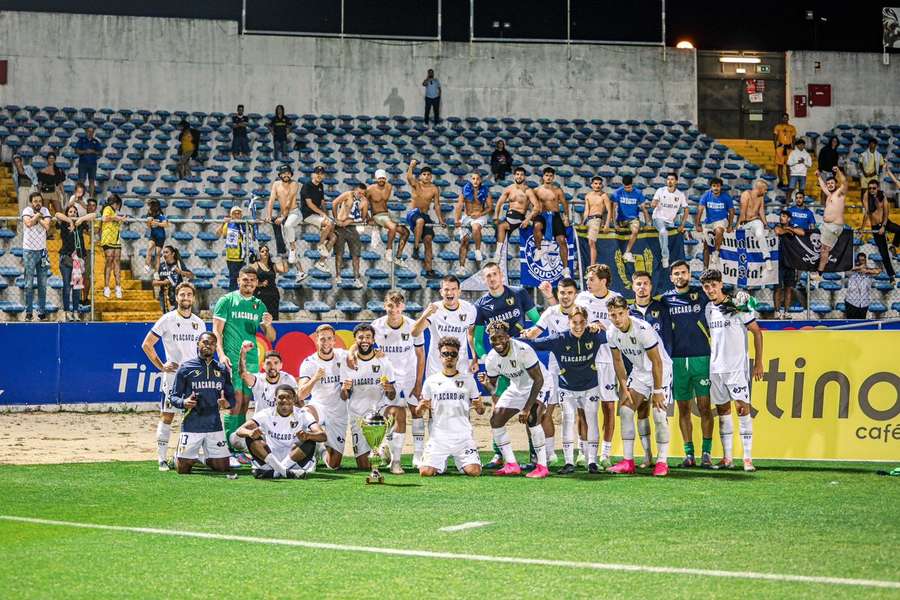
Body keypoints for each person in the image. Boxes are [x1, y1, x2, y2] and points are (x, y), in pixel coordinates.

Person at [472, 261, 543, 468]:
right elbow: (477, 339)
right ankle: (498, 455)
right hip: (501, 364)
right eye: (488, 276)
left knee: (531, 407)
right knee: (498, 407)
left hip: (523, 359)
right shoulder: (481, 305)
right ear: (484, 280)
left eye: (495, 274)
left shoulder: (519, 293)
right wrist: (486, 358)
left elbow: (537, 320)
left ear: (501, 275)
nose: (492, 279)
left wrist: (530, 334)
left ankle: (535, 455)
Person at [522, 306, 607, 474]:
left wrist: (601, 326)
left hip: (590, 386)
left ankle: (592, 462)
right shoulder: (559, 339)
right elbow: (533, 344)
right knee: (567, 420)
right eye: (574, 322)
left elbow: (614, 335)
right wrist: (517, 338)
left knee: (591, 420)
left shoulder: (595, 336)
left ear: (586, 321)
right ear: (568, 322)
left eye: (581, 322)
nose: (578, 326)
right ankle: (569, 463)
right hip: (567, 387)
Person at [700, 269, 764, 472]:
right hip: (716, 368)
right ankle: (728, 458)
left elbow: (757, 332)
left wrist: (758, 363)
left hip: (736, 368)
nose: (710, 289)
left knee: (743, 410)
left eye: (713, 285)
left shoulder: (737, 305)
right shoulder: (708, 309)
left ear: (721, 284)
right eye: (706, 286)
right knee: (723, 411)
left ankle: (747, 458)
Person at [411, 276, 479, 464]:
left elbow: (470, 333)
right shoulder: (434, 310)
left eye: (453, 289)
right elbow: (414, 332)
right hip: (436, 365)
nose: (449, 293)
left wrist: (475, 355)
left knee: (463, 406)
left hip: (462, 364)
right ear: (441, 292)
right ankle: (435, 451)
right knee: (434, 407)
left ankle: (465, 449)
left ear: (459, 291)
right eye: (446, 290)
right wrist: (425, 314)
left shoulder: (469, 309)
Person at [212, 265, 276, 462]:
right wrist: (221, 354)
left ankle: (237, 446)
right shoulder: (227, 301)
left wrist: (268, 325)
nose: (248, 283)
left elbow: (271, 337)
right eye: (245, 279)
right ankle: (228, 449)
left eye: (252, 280)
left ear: (257, 283)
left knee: (245, 404)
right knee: (235, 402)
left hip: (251, 361)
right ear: (238, 280)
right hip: (232, 358)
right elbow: (216, 332)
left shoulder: (259, 305)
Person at [141, 282, 206, 471]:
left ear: (193, 298)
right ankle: (161, 458)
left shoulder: (199, 322)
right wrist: (162, 366)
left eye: (189, 295)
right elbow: (147, 344)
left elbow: (203, 351)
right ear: (176, 297)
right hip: (173, 378)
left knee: (194, 417)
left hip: (194, 378)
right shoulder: (167, 319)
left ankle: (188, 455)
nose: (185, 298)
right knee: (168, 416)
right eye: (182, 295)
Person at [606, 296, 674, 477]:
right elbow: (617, 360)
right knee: (626, 411)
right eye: (613, 315)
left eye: (620, 314)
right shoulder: (611, 332)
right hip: (640, 372)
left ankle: (662, 461)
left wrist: (658, 391)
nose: (617, 318)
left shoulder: (643, 329)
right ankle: (628, 461)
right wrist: (624, 387)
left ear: (627, 311)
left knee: (659, 415)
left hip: (661, 371)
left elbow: (657, 361)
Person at [478, 322, 550, 479]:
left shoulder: (523, 350)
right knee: (496, 420)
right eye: (493, 338)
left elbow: (538, 380)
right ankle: (511, 464)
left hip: (539, 384)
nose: (497, 342)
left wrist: (526, 408)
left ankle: (542, 466)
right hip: (517, 387)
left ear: (508, 337)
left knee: (532, 417)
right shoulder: (491, 359)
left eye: (501, 337)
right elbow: (494, 390)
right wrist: (486, 386)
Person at [661, 260, 714, 468]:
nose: (680, 276)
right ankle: (689, 454)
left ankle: (707, 454)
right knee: (683, 408)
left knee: (704, 407)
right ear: (671, 277)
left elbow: (720, 299)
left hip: (701, 357)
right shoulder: (665, 300)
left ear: (689, 274)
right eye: (676, 273)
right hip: (676, 360)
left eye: (683, 272)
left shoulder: (701, 295)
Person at [525, 278, 580, 467]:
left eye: (569, 293)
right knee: (546, 412)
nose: (565, 296)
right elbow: (536, 331)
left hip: (579, 366)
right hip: (556, 369)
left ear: (575, 295)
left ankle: (581, 454)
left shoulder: (581, 312)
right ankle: (549, 455)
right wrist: (525, 335)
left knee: (575, 413)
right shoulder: (551, 312)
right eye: (562, 293)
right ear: (558, 294)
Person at [369, 291, 426, 474]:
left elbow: (420, 355)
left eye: (397, 305)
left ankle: (418, 454)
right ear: (385, 306)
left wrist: (419, 383)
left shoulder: (413, 326)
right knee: (394, 415)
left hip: (409, 377)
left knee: (417, 412)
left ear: (403, 307)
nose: (393, 309)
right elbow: (364, 346)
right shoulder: (376, 326)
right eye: (390, 305)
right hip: (388, 379)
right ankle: (390, 451)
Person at [573, 263, 621, 468]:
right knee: (583, 408)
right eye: (587, 279)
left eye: (592, 279)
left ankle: (605, 453)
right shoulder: (582, 298)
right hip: (586, 360)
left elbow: (621, 327)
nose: (588, 283)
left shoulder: (616, 299)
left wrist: (604, 328)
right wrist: (586, 326)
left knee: (609, 406)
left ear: (603, 281)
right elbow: (574, 322)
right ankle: (582, 451)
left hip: (608, 360)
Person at [168, 332, 235, 475]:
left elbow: (232, 399)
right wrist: (184, 402)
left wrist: (226, 404)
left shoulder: (222, 370)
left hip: (214, 426)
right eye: (204, 342)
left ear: (216, 346)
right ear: (198, 344)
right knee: (183, 470)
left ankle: (201, 459)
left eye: (211, 343)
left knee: (223, 468)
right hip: (191, 426)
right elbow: (173, 397)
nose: (208, 345)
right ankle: (177, 458)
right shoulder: (185, 368)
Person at [418, 336, 484, 477]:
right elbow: (418, 412)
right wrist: (421, 407)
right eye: (445, 354)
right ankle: (441, 462)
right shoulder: (431, 381)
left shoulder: (468, 380)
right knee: (425, 472)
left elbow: (480, 411)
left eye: (453, 354)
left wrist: (480, 405)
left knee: (474, 472)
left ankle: (460, 461)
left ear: (458, 356)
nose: (449, 357)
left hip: (463, 437)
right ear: (440, 356)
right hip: (439, 437)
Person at [233, 385, 325, 479]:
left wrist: (308, 435)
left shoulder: (303, 414)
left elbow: (323, 436)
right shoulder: (266, 414)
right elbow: (240, 431)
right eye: (281, 397)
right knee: (250, 437)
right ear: (275, 399)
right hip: (270, 458)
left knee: (310, 439)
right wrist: (250, 433)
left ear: (294, 399)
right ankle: (286, 472)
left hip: (295, 458)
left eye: (288, 397)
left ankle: (275, 472)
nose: (284, 400)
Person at [339, 323, 396, 470]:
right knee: (364, 467)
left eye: (368, 337)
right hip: (358, 417)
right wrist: (345, 389)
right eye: (361, 337)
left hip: (379, 411)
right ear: (355, 340)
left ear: (373, 340)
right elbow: (344, 396)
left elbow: (392, 395)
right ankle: (380, 451)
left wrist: (389, 389)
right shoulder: (348, 363)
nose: (365, 340)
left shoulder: (383, 361)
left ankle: (389, 450)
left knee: (397, 411)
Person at [298, 324, 348, 469]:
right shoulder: (309, 363)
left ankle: (321, 448)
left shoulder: (343, 356)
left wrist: (377, 352)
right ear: (316, 340)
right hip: (318, 406)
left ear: (334, 341)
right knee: (305, 413)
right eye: (322, 339)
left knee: (334, 465)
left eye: (329, 339)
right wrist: (314, 378)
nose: (326, 342)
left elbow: (357, 350)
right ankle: (307, 456)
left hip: (339, 411)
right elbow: (301, 394)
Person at [236, 341, 298, 416]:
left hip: (281, 421)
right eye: (268, 363)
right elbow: (243, 374)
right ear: (263, 365)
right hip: (261, 422)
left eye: (276, 363)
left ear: (281, 365)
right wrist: (243, 352)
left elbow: (298, 400)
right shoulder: (258, 379)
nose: (272, 367)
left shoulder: (288, 379)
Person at [405, 159, 444, 276]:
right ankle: (416, 247)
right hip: (413, 214)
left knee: (428, 240)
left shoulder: (434, 189)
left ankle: (429, 269)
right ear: (420, 176)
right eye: (424, 174)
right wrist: (411, 166)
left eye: (428, 175)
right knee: (420, 221)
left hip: (425, 215)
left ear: (431, 177)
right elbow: (409, 178)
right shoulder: (416, 184)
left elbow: (436, 205)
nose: (426, 176)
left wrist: (441, 220)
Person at [266, 164, 307, 275]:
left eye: (288, 173)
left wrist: (282, 217)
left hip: (294, 213)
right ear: (280, 174)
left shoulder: (294, 184)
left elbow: (289, 201)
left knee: (288, 226)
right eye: (284, 173)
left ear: (291, 174)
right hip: (284, 215)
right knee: (287, 242)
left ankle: (293, 250)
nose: (286, 175)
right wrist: (269, 215)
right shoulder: (276, 184)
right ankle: (300, 272)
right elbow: (271, 200)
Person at [53, 203, 91, 321]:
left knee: (77, 288)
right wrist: (69, 221)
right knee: (67, 287)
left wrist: (81, 219)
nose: (73, 214)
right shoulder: (64, 224)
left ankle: (75, 311)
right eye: (70, 212)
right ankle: (66, 311)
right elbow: (57, 214)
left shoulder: (79, 225)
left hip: (77, 261)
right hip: (66, 259)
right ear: (67, 214)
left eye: (74, 212)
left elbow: (94, 215)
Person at [532, 167, 572, 276]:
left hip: (555, 216)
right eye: (546, 175)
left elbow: (565, 204)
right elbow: (531, 204)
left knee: (562, 240)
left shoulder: (558, 190)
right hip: (541, 215)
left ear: (553, 177)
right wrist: (529, 216)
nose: (548, 178)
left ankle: (565, 268)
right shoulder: (536, 190)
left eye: (550, 176)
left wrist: (566, 217)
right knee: (537, 226)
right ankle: (539, 249)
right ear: (543, 177)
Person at [493, 166, 540, 259]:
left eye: (521, 175)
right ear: (514, 176)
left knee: (535, 229)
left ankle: (538, 250)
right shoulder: (509, 189)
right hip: (509, 218)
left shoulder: (528, 191)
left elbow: (537, 207)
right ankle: (498, 253)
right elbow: (499, 203)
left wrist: (527, 219)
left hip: (520, 218)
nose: (519, 176)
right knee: (500, 226)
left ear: (525, 177)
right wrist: (496, 217)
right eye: (517, 174)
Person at [367, 169, 409, 265]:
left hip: (387, 214)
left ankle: (398, 257)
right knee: (393, 227)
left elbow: (384, 202)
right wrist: (368, 218)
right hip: (377, 215)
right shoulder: (370, 189)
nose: (381, 180)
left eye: (383, 178)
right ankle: (388, 251)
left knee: (405, 232)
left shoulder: (389, 187)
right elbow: (364, 203)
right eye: (380, 178)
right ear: (376, 179)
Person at [863, 174, 900, 282]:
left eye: (874, 188)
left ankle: (893, 245)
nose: (871, 190)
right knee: (884, 253)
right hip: (875, 227)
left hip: (885, 222)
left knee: (899, 230)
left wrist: (883, 226)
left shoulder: (882, 195)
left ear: (878, 188)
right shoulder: (866, 196)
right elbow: (866, 213)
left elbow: (886, 211)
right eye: (870, 188)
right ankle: (891, 276)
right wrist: (862, 228)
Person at [454, 172, 493, 275]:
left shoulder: (486, 191)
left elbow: (490, 207)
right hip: (467, 216)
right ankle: (461, 268)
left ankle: (477, 250)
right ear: (471, 180)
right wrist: (457, 220)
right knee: (464, 242)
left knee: (475, 227)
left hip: (480, 216)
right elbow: (459, 205)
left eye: (478, 179)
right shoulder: (465, 190)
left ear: (481, 180)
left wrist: (480, 213)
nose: (475, 181)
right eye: (473, 179)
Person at [296, 165, 336, 264]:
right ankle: (320, 244)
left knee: (334, 237)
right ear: (313, 174)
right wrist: (323, 214)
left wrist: (325, 214)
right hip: (307, 214)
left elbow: (322, 202)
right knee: (329, 223)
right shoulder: (307, 186)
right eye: (317, 173)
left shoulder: (320, 186)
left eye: (321, 174)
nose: (319, 175)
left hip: (317, 215)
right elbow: (309, 204)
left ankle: (321, 262)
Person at [21, 192, 51, 322]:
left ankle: (42, 312)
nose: (37, 203)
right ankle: (29, 312)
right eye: (35, 201)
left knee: (42, 284)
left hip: (42, 252)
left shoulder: (45, 210)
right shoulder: (27, 210)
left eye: (39, 200)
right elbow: (28, 223)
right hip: (29, 251)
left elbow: (47, 226)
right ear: (31, 202)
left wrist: (37, 218)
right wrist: (39, 217)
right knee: (28, 284)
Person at [650, 172, 689, 268]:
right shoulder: (660, 190)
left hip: (670, 222)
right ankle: (665, 257)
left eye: (672, 179)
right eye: (668, 179)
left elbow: (686, 209)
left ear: (676, 181)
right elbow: (652, 204)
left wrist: (682, 225)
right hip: (658, 218)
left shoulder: (680, 195)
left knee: (675, 234)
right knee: (663, 232)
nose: (669, 181)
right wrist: (654, 203)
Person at [332, 183, 367, 287]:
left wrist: (351, 220)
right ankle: (338, 276)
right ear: (355, 190)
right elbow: (334, 203)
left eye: (362, 193)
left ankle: (356, 279)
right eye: (359, 192)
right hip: (340, 227)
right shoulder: (347, 194)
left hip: (352, 228)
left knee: (356, 255)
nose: (360, 195)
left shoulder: (364, 201)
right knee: (339, 253)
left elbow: (363, 218)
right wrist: (336, 219)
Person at [815, 167, 848, 276]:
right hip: (828, 226)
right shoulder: (830, 195)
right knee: (824, 249)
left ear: (836, 184)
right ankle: (821, 268)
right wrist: (819, 176)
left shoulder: (839, 193)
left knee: (824, 250)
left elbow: (844, 182)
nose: (829, 185)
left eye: (832, 183)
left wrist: (838, 171)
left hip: (833, 226)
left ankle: (819, 272)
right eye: (828, 183)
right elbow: (823, 187)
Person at [695, 177, 734, 269]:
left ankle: (716, 252)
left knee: (719, 231)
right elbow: (700, 210)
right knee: (706, 245)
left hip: (722, 220)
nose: (716, 188)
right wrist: (697, 224)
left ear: (721, 187)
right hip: (709, 222)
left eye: (718, 186)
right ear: (711, 187)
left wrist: (730, 225)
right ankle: (705, 268)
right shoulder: (706, 196)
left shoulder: (726, 197)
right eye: (714, 186)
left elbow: (732, 212)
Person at [610, 174, 649, 263]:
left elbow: (644, 209)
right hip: (621, 219)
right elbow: (613, 209)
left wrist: (647, 223)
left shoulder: (638, 192)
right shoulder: (617, 192)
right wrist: (615, 223)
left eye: (629, 187)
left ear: (632, 184)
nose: (627, 189)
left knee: (635, 230)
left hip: (633, 219)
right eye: (625, 187)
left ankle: (627, 252)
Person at [773, 211, 804, 319]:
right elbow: (778, 232)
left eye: (784, 216)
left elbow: (802, 232)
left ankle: (786, 312)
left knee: (788, 288)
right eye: (780, 216)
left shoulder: (794, 226)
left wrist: (790, 229)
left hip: (791, 262)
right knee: (777, 288)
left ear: (789, 219)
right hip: (779, 261)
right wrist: (788, 230)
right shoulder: (777, 226)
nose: (781, 218)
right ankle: (777, 312)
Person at [738, 180, 773, 271]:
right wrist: (738, 225)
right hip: (745, 223)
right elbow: (742, 211)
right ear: (760, 188)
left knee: (760, 234)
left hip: (755, 221)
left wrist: (766, 224)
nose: (766, 192)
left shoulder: (761, 197)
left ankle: (767, 258)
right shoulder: (746, 194)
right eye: (765, 189)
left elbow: (761, 211)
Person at [219, 204, 251, 291]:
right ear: (231, 215)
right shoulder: (228, 224)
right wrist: (223, 223)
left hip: (242, 256)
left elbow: (249, 234)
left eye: (239, 213)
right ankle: (232, 298)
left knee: (241, 279)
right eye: (234, 213)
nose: (237, 215)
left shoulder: (243, 224)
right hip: (231, 257)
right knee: (233, 279)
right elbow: (218, 233)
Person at [250, 244, 287, 319]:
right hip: (260, 294)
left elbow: (285, 270)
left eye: (266, 251)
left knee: (273, 317)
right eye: (262, 251)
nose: (265, 253)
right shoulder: (255, 265)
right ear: (259, 254)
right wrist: (260, 284)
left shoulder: (273, 265)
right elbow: (250, 281)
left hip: (272, 294)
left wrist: (283, 258)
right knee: (260, 316)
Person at [152, 245, 193, 312]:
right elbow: (154, 283)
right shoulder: (161, 266)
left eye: (166, 252)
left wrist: (180, 272)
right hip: (164, 296)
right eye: (163, 253)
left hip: (177, 296)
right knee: (166, 317)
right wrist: (164, 282)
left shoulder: (179, 264)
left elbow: (191, 275)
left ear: (173, 254)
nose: (164, 254)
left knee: (177, 316)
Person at [583, 176, 613, 267]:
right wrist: (582, 222)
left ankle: (592, 266)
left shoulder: (604, 195)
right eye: (596, 183)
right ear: (592, 185)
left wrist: (607, 224)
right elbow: (586, 210)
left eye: (599, 184)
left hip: (597, 219)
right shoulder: (588, 195)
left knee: (591, 242)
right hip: (588, 219)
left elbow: (609, 210)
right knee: (585, 242)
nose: (598, 185)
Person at [100, 193, 125, 299]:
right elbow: (104, 218)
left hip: (116, 239)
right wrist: (116, 218)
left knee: (117, 261)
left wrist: (120, 219)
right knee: (109, 261)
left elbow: (116, 223)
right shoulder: (108, 208)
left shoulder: (115, 212)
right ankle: (106, 286)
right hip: (108, 239)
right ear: (116, 203)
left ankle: (118, 286)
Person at [844, 253, 880, 319]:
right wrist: (859, 268)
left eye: (863, 260)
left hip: (864, 303)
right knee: (851, 323)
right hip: (851, 302)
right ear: (857, 261)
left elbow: (878, 271)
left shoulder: (869, 273)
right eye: (859, 260)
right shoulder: (852, 272)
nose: (861, 262)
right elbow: (846, 271)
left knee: (861, 323)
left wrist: (866, 270)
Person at [74, 125, 102, 198]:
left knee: (92, 181)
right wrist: (85, 151)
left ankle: (91, 197)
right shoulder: (81, 140)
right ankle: (79, 196)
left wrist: (93, 151)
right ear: (86, 132)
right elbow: (76, 150)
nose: (90, 133)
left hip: (92, 164)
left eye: (92, 132)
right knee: (81, 181)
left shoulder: (96, 141)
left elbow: (100, 152)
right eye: (89, 131)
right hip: (83, 163)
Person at [36, 151, 66, 215]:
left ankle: (60, 224)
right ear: (47, 159)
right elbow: (40, 184)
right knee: (45, 212)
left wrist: (63, 194)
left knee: (59, 212)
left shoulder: (59, 170)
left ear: (55, 160)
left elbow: (60, 183)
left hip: (55, 191)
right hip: (45, 192)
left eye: (53, 158)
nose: (51, 160)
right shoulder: (42, 171)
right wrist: (38, 194)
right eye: (50, 158)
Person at [144, 199, 168, 276]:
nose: (150, 207)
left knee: (157, 253)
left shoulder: (160, 215)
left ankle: (156, 272)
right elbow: (148, 226)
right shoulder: (149, 214)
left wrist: (157, 223)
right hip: (153, 235)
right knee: (150, 248)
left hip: (161, 236)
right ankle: (147, 266)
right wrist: (148, 222)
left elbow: (165, 224)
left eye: (152, 205)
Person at [773, 113, 796, 187]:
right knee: (780, 166)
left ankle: (789, 182)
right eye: (784, 118)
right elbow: (775, 137)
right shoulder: (778, 127)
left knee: (789, 166)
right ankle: (781, 181)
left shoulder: (792, 128)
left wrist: (794, 148)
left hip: (789, 148)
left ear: (788, 119)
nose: (785, 119)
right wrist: (775, 147)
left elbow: (793, 138)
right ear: (782, 118)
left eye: (786, 118)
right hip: (780, 148)